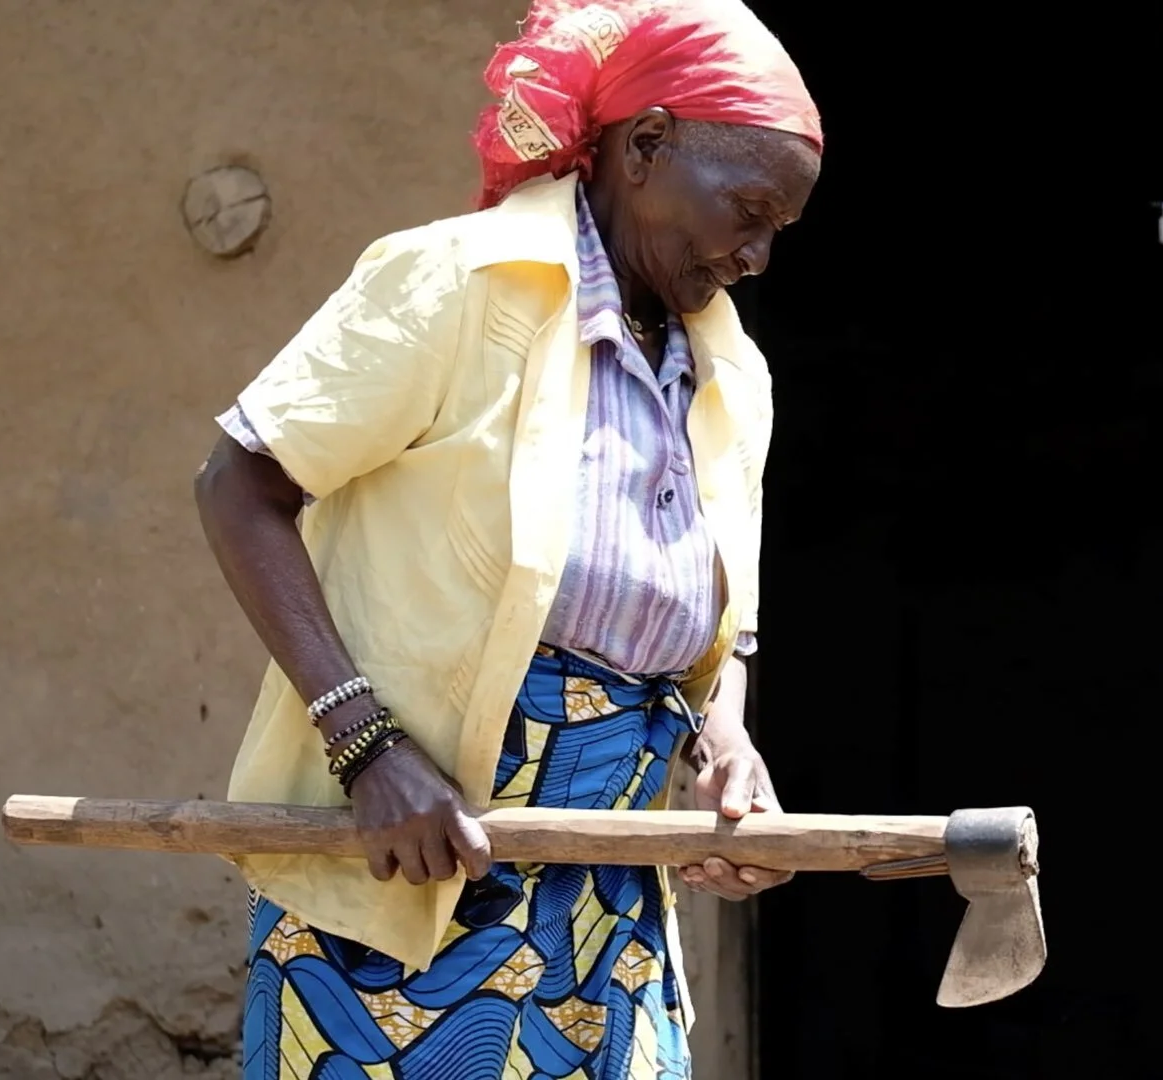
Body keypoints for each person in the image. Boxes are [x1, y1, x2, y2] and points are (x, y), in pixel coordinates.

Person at [193, 2, 821, 1076]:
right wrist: (365, 746)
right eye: (748, 211)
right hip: (407, 889)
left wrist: (725, 743)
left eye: (778, 231)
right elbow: (238, 485)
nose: (757, 255)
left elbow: (723, 615)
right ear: (647, 145)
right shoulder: (454, 282)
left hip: (606, 923)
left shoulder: (731, 374)